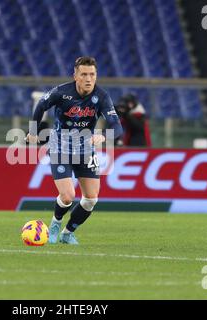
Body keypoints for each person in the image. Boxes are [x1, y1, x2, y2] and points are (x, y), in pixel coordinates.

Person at [26, 57, 123, 245]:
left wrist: (103, 136)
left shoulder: (101, 96)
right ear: (75, 76)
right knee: (68, 196)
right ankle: (55, 223)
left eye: (92, 74)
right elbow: (40, 106)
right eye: (84, 74)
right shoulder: (62, 92)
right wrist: (32, 132)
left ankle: (67, 233)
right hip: (60, 148)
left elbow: (117, 126)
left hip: (86, 151)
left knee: (91, 199)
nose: (88, 79)